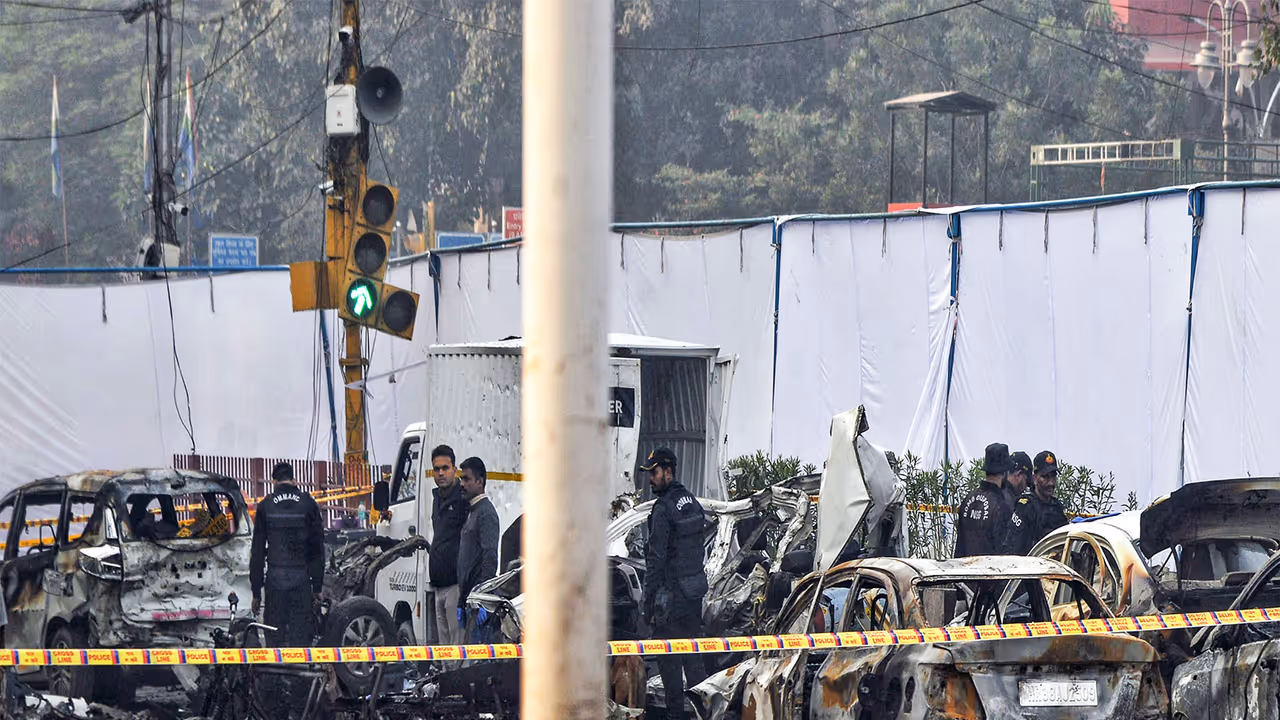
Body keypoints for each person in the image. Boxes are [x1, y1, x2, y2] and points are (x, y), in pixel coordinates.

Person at [640, 448, 708, 720]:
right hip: (693, 595)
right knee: (693, 661)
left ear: (668, 471)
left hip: (669, 601)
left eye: (654, 473)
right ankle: (706, 712)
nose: (650, 479)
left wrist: (647, 603)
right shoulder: (692, 502)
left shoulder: (663, 509)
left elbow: (655, 561)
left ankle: (676, 717)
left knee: (669, 665)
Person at [250, 461, 324, 647]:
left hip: (275, 581)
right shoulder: (308, 504)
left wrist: (256, 591)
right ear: (293, 479)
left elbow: (257, 551)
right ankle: (299, 674)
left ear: (273, 480)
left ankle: (274, 675)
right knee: (301, 640)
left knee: (274, 638)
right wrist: (317, 587)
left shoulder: (265, 506)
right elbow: (317, 549)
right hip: (301, 580)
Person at [428, 445, 468, 646]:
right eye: (437, 469)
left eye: (445, 468)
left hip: (456, 585)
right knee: (444, 649)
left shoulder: (462, 499)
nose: (441, 473)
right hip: (438, 584)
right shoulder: (437, 499)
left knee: (456, 646)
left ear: (454, 469)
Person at [456, 457, 500, 638]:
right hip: (469, 601)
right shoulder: (473, 511)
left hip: (478, 605)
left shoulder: (486, 513)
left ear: (480, 482)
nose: (462, 484)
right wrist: (461, 601)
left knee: (480, 663)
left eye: (466, 479)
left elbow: (490, 559)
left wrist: (482, 600)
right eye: (461, 479)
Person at [954, 443, 1014, 557]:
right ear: (1004, 472)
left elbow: (960, 547)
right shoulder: (1001, 507)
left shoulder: (968, 499)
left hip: (964, 571)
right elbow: (1003, 554)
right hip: (988, 572)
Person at [1006, 451, 1070, 555]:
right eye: (1045, 477)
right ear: (1035, 478)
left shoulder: (1056, 507)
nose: (1051, 483)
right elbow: (1013, 547)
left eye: (1053, 476)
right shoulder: (1026, 506)